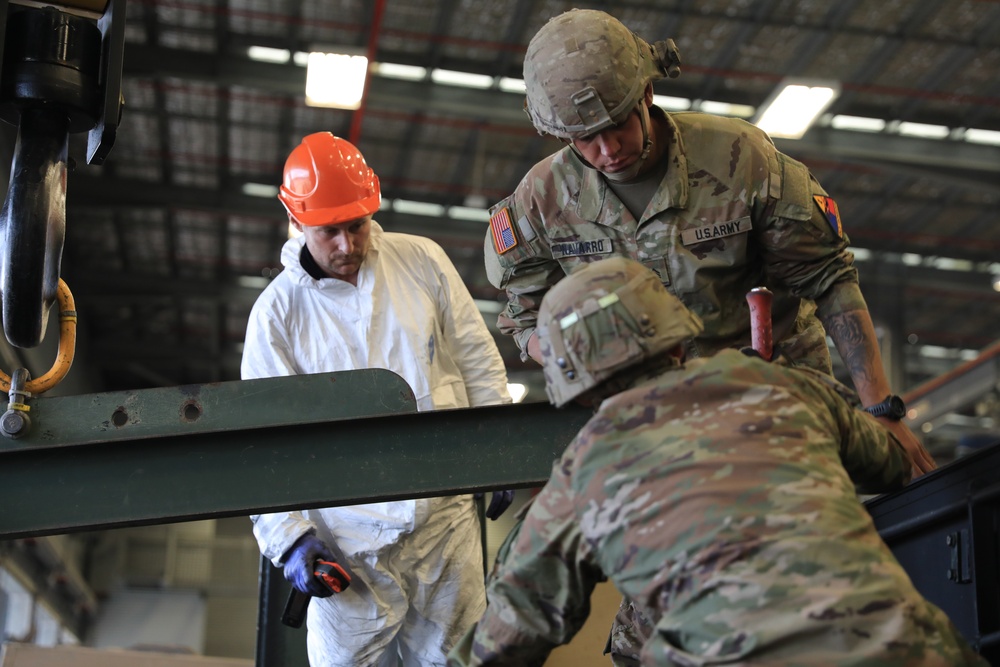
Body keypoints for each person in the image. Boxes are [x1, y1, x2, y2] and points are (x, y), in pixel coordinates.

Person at [448, 257, 987, 667]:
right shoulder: (778, 385)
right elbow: (890, 466)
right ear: (679, 340)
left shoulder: (583, 473)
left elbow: (510, 635)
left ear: (576, 386)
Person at [483, 8, 935, 477]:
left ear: (647, 94)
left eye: (618, 124)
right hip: (647, 428)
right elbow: (525, 317)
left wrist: (882, 410)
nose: (608, 149)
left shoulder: (740, 160)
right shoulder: (541, 202)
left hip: (777, 402)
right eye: (586, 139)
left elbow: (830, 278)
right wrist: (580, 365)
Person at [243, 132, 513, 667]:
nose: (347, 245)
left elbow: (476, 358)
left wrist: (502, 447)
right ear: (297, 221)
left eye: (357, 225)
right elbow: (259, 448)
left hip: (444, 526)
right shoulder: (276, 317)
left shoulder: (422, 262)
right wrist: (291, 539)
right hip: (348, 546)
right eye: (329, 231)